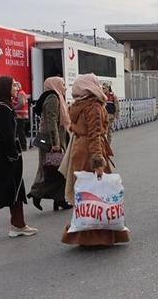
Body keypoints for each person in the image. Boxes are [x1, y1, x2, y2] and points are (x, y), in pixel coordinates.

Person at [60, 74, 129, 246]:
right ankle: (98, 236)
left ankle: (83, 232)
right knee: (99, 194)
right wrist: (98, 162)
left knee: (84, 193)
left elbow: (76, 128)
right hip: (91, 152)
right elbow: (95, 135)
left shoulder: (77, 106)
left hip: (79, 150)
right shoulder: (94, 107)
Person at [0, 76, 38, 238]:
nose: (16, 88)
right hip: (6, 158)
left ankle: (18, 224)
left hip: (6, 157)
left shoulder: (5, 106)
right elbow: (6, 135)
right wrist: (12, 155)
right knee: (9, 189)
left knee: (16, 191)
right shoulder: (3, 109)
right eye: (13, 85)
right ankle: (18, 225)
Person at [27, 77, 72, 212]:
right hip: (50, 140)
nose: (65, 87)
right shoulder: (52, 98)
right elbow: (52, 122)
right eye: (63, 84)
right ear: (55, 85)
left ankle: (59, 199)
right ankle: (38, 193)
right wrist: (55, 144)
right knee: (54, 170)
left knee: (56, 170)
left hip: (54, 139)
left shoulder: (56, 97)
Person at [12, 81, 29, 151]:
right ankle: (22, 146)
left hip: (20, 116)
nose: (14, 87)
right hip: (21, 115)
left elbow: (21, 103)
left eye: (15, 86)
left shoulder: (20, 93)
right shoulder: (20, 93)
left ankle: (23, 146)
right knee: (20, 131)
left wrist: (13, 108)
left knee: (20, 132)